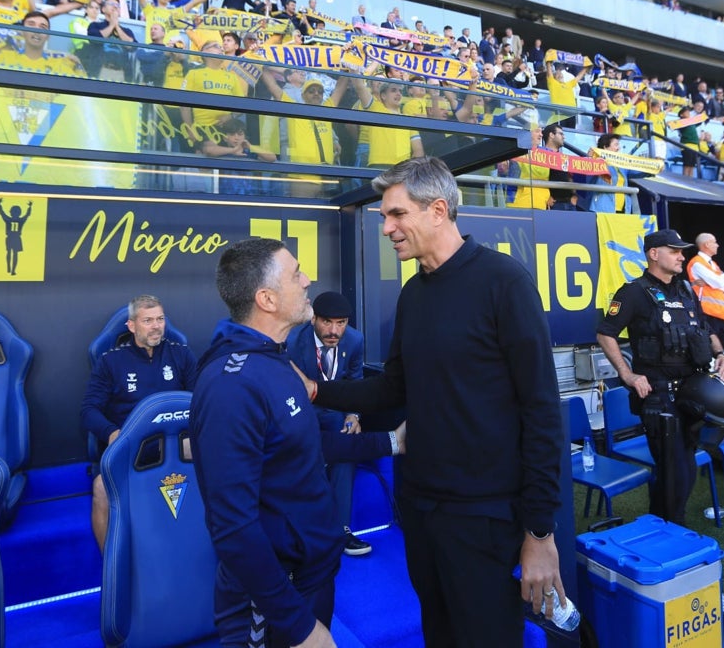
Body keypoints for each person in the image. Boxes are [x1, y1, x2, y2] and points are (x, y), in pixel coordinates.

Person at [292, 157, 566, 648]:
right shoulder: (413, 293)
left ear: (438, 210)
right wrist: (317, 390)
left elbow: (542, 411)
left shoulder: (504, 283)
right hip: (419, 510)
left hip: (484, 519)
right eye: (383, 217)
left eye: (396, 214)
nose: (386, 228)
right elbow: (394, 387)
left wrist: (541, 534)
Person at [191, 239, 404, 648]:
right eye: (296, 274)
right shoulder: (229, 386)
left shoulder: (276, 360)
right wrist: (299, 627)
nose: (308, 281)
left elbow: (307, 447)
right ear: (267, 299)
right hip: (275, 599)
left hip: (313, 574)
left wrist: (392, 442)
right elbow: (233, 527)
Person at [596, 229, 724, 525]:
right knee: (676, 471)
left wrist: (722, 355)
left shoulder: (685, 290)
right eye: (674, 251)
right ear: (653, 254)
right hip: (659, 398)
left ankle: (661, 524)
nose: (681, 256)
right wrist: (628, 374)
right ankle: (671, 529)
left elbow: (706, 330)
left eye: (682, 251)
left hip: (692, 395)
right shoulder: (634, 293)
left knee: (681, 469)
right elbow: (605, 333)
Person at [81, 295, 197, 552]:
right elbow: (89, 411)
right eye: (148, 320)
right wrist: (112, 433)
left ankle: (202, 550)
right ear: (132, 325)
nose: (156, 326)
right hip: (132, 445)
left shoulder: (181, 355)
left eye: (160, 319)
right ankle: (111, 565)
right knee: (101, 489)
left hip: (176, 443)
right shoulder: (110, 361)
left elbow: (199, 402)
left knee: (214, 460)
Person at [286, 291, 370, 556]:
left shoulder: (355, 340)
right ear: (313, 319)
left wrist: (354, 415)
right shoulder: (292, 341)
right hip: (299, 411)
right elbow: (285, 388)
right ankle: (300, 532)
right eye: (327, 322)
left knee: (346, 444)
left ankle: (341, 529)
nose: (335, 331)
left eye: (341, 323)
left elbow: (355, 383)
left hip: (334, 411)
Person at [686, 232, 724, 347]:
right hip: (706, 313)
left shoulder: (713, 264)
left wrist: (716, 280)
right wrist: (718, 279)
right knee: (711, 350)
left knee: (721, 351)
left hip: (720, 313)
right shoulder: (697, 262)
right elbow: (718, 282)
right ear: (707, 244)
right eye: (715, 242)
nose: (717, 245)